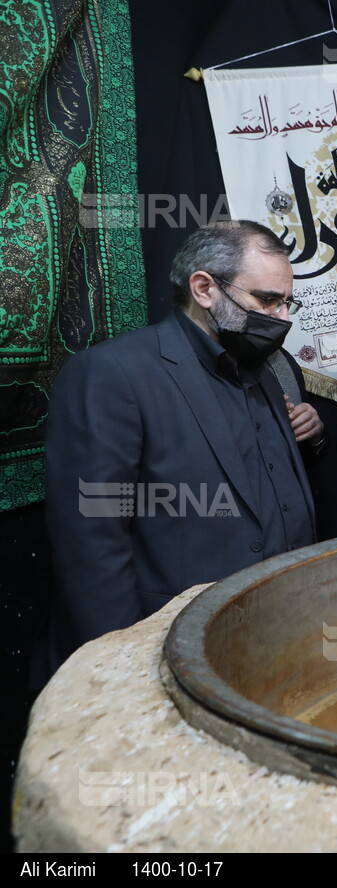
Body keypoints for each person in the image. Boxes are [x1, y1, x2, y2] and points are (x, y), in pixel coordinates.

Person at [41, 220, 317, 668]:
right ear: (204, 289)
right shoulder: (114, 373)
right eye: (266, 300)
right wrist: (123, 662)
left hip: (273, 635)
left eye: (287, 302)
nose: (281, 318)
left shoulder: (264, 375)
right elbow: (91, 541)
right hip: (170, 648)